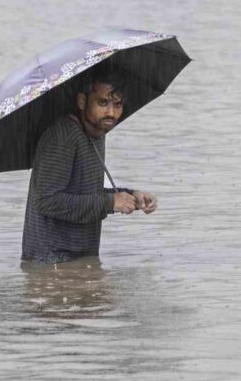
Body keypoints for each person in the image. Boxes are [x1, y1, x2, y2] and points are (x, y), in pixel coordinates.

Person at [21, 71, 157, 264]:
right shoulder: (62, 136)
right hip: (52, 262)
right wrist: (109, 203)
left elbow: (84, 192)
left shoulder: (98, 132)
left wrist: (130, 195)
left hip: (81, 260)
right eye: (103, 103)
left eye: (117, 105)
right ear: (82, 102)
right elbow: (46, 201)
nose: (111, 113)